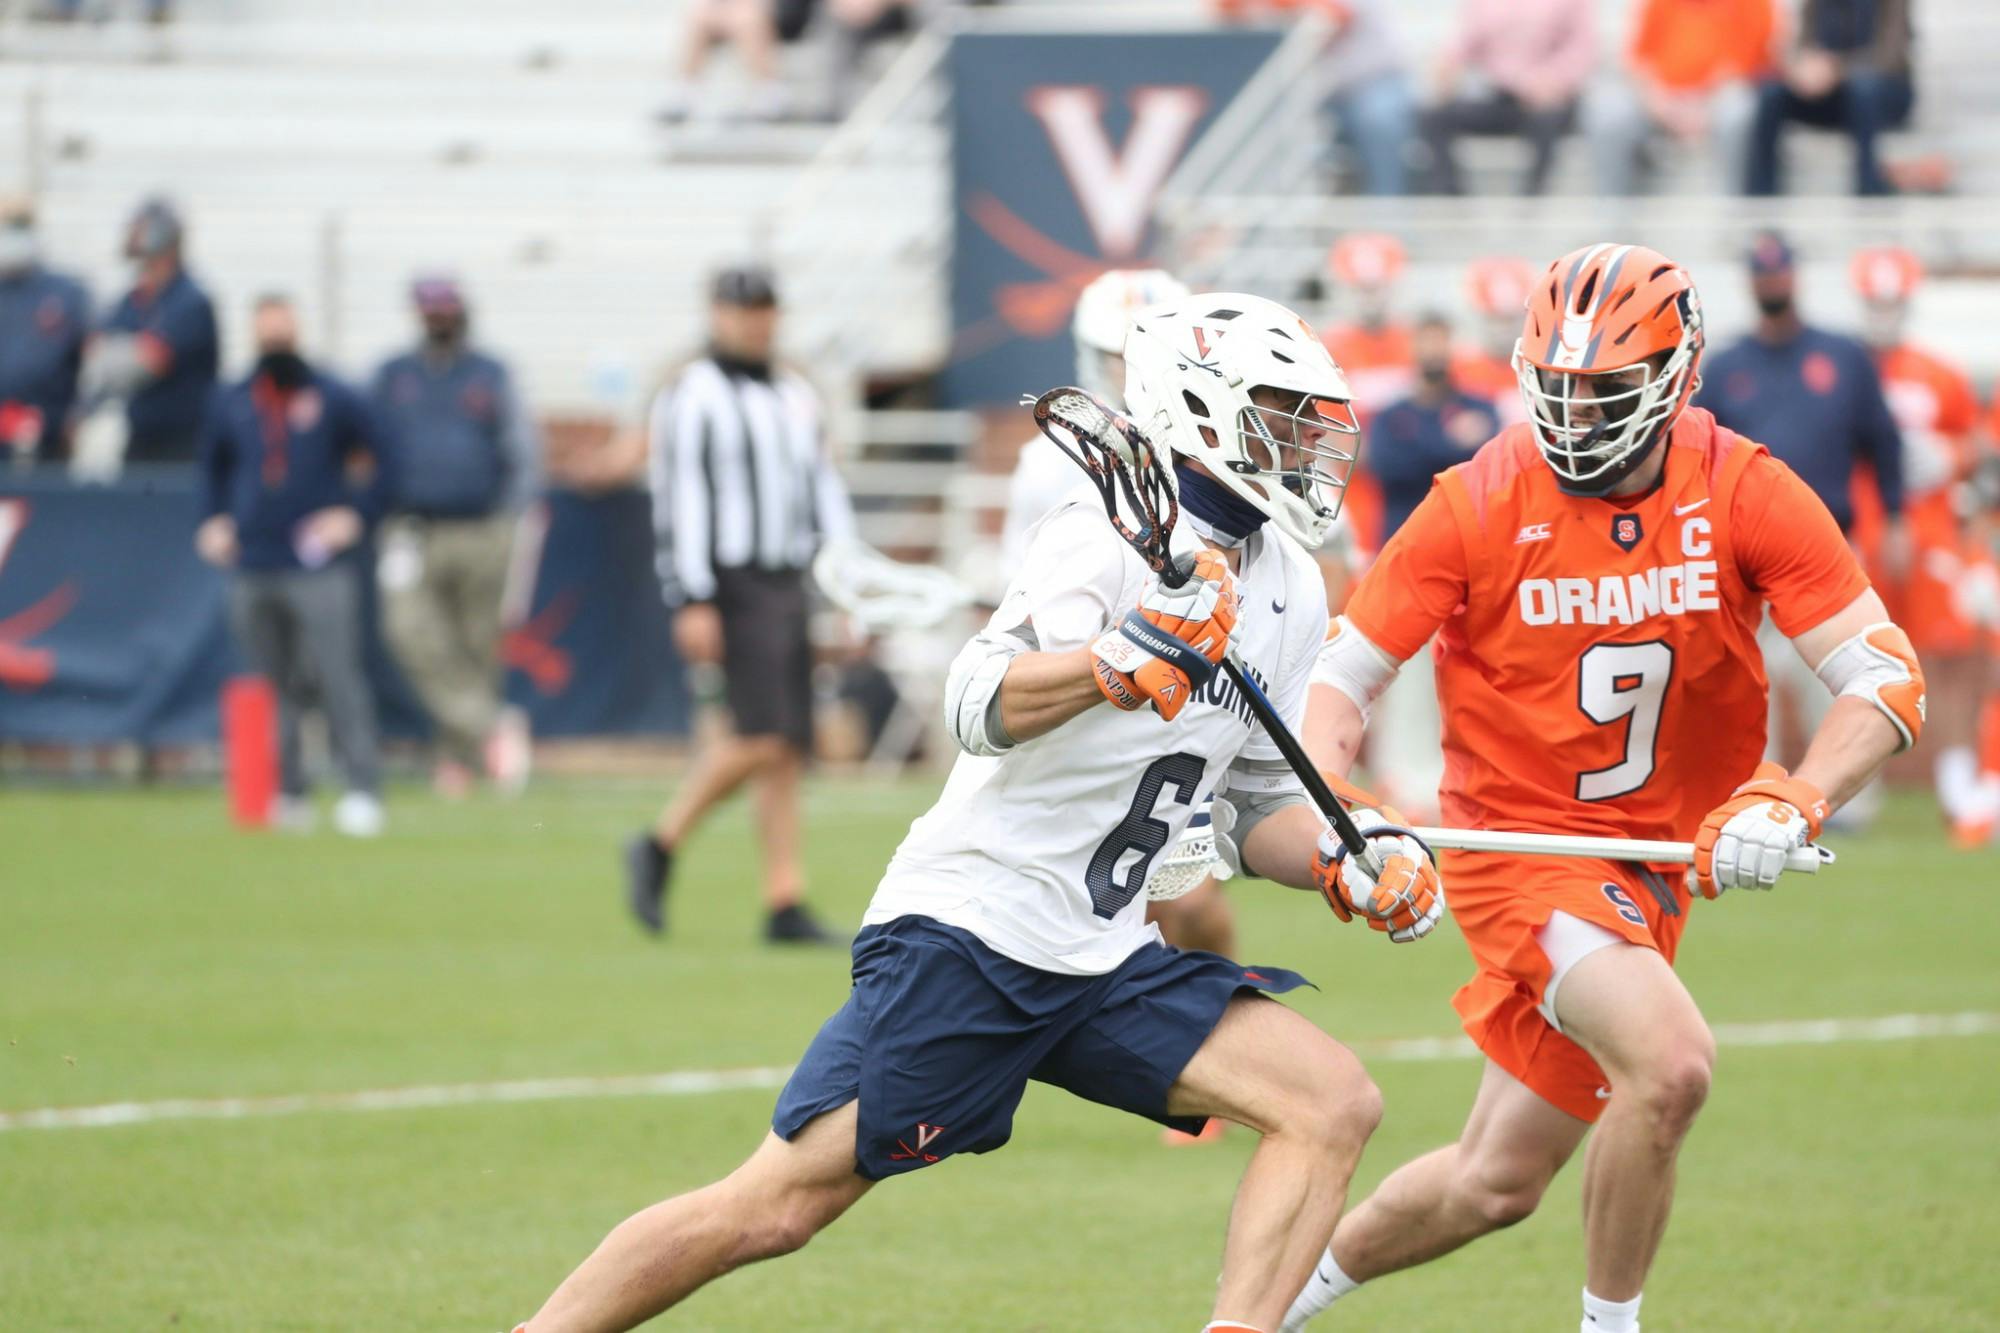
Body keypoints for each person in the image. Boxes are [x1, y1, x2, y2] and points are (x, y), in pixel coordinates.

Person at [512, 292, 1443, 1333]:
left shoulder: (1291, 590)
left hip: (1104, 952)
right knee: (771, 1208)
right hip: (975, 933)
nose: (1309, 443)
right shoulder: (1102, 532)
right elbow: (973, 703)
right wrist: (1113, 663)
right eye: (1281, 413)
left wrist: (1338, 857)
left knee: (1329, 1104)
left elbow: (1250, 803)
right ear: (1202, 409)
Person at [1284, 243, 1924, 1333]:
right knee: (1670, 1067)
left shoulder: (1742, 486)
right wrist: (1333, 806)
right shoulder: (1476, 497)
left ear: (1678, 376)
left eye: (1604, 395)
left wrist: (1794, 797)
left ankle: (1265, 1305)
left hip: (1651, 867)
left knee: (1492, 1181)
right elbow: (1339, 678)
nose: (1575, 423)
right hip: (1519, 847)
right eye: (1558, 393)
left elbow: (1883, 675)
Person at [625, 265, 854, 945]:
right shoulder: (691, 394)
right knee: (760, 732)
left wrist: (846, 573)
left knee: (785, 744)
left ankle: (784, 898)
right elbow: (680, 498)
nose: (755, 321)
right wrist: (691, 592)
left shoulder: (792, 392)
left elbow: (823, 485)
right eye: (742, 309)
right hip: (731, 577)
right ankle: (660, 841)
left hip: (787, 574)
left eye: (764, 309)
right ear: (717, 313)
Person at [1696, 232, 1904, 784]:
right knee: (1741, 674)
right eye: (1763, 274)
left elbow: (1882, 440)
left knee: (1844, 670)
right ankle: (1742, 785)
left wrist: (1897, 516)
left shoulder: (1842, 356)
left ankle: (1844, 789)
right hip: (1741, 547)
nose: (1772, 283)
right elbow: (1694, 454)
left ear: (1795, 276)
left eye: (1779, 272)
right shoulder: (1728, 365)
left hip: (1827, 540)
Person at [196, 295, 396, 838]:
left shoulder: (332, 395)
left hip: (318, 563)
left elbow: (386, 458)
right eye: (267, 338)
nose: (276, 348)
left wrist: (356, 515)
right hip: (254, 560)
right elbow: (211, 470)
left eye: (283, 337)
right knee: (269, 682)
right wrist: (212, 521)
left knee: (337, 676)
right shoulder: (234, 400)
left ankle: (361, 788)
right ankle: (289, 788)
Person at [372, 276, 540, 798]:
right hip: (412, 528)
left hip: (481, 525)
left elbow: (523, 448)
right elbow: (367, 442)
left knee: (475, 645)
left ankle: (458, 759)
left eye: (446, 310)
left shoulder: (490, 374)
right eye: (431, 310)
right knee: (411, 633)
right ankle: (492, 729)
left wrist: (509, 514)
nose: (439, 319)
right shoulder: (392, 375)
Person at [1847, 245, 1991, 841]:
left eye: (1893, 302)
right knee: (1852, 662)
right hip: (1861, 531)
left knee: (1951, 656)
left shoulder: (1938, 370)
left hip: (1929, 532)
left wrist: (1949, 456)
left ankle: (1958, 782)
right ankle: (1854, 787)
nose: (1885, 313)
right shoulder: (1844, 369)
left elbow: (1978, 444)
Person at [1213, 0, 1415, 196]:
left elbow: (1339, 14)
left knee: (1378, 121)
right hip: (1318, 92)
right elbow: (1225, 9)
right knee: (1276, 125)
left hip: (1372, 82)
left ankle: (1385, 206)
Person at [1581, 0, 1776, 195]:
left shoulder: (1752, 4)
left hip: (1719, 98)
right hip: (1661, 100)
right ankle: (1613, 213)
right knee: (1610, 112)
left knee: (1736, 109)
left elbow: (1751, 60)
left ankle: (1736, 206)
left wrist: (1703, 105)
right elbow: (1639, 60)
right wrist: (1660, 103)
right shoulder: (1659, 4)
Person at [1418, 0, 1595, 197]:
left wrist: (1550, 82)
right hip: (1503, 97)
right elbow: (1467, 40)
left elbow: (1582, 50)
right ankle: (1451, 200)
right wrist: (1447, 67)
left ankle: (1532, 205)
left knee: (1546, 121)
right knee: (1434, 116)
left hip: (1551, 100)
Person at [90, 197, 219, 465]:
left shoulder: (191, 300)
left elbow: (154, 359)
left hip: (183, 444)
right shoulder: (133, 299)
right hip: (140, 438)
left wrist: (121, 355)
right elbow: (94, 352)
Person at [1743, 0, 1914, 197]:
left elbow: (1890, 56)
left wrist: (1837, 69)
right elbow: (1802, 45)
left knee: (1863, 89)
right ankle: (1761, 196)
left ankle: (1869, 191)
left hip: (1884, 91)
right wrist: (1803, 69)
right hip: (1832, 92)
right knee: (1770, 94)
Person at [1318, 233, 1413, 564]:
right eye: (1361, 289)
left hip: (1411, 487)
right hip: (1353, 489)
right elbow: (1332, 439)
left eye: (1376, 288)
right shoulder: (1326, 349)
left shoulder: (1414, 343)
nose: (1370, 299)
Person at [0, 198, 91, 466]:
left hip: (47, 443)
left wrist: (75, 418)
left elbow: (92, 360)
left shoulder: (64, 293)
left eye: (18, 226)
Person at [1449, 254, 1531, 426]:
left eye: (1510, 319)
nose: (1503, 329)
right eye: (1495, 319)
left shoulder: (1542, 366)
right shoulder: (1458, 366)